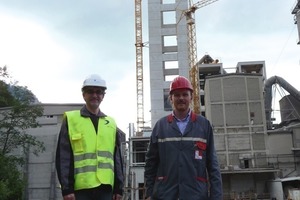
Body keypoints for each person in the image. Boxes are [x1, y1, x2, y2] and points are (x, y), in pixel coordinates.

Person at [144, 76, 223, 200]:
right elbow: (151, 164)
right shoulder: (161, 126)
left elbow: (213, 165)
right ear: (171, 98)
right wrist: (149, 193)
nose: (181, 98)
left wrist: (216, 196)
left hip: (196, 195)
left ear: (191, 97)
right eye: (177, 95)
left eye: (185, 94)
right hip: (166, 195)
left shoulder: (204, 125)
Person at [55, 74, 124, 200]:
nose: (95, 95)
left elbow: (117, 158)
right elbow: (63, 156)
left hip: (105, 189)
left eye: (99, 92)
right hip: (80, 189)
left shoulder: (111, 123)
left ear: (103, 96)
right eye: (90, 91)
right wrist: (66, 188)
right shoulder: (71, 119)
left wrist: (119, 187)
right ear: (84, 95)